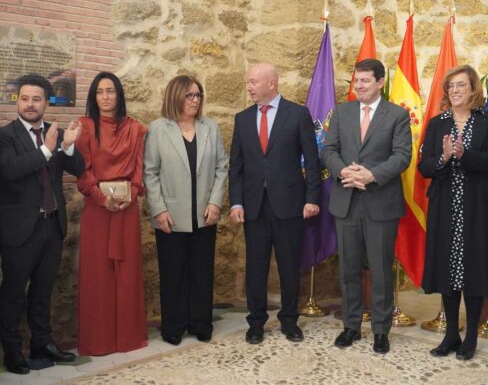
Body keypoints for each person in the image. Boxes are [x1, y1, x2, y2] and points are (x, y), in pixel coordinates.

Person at [321, 58, 411, 354]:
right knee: (348, 267)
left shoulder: (397, 115)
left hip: (380, 202)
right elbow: (329, 149)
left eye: (364, 81)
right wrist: (343, 171)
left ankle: (381, 331)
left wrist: (372, 175)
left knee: (381, 269)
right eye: (355, 81)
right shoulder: (342, 112)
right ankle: (351, 326)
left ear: (380, 83)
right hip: (346, 199)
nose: (358, 86)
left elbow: (402, 156)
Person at [229, 62, 321, 345]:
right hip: (254, 206)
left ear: (272, 83)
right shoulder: (242, 119)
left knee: (289, 266)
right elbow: (237, 167)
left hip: (290, 205)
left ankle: (289, 321)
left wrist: (312, 199)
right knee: (255, 267)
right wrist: (236, 203)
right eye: (248, 82)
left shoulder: (298, 114)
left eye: (254, 82)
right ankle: (256, 322)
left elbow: (313, 161)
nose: (249, 87)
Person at [0, 74, 84, 374]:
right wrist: (48, 150)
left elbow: (79, 168)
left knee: (42, 290)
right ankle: (12, 351)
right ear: (17, 101)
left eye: (37, 99)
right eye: (25, 98)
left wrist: (69, 147)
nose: (31, 104)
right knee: (12, 293)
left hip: (52, 226)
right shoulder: (6, 136)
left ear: (46, 103)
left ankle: (41, 343)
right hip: (19, 230)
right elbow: (10, 170)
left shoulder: (56, 131)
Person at [418, 65, 488, 360]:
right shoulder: (437, 123)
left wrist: (464, 154)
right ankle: (451, 333)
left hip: (478, 207)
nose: (455, 91)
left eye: (461, 86)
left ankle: (471, 337)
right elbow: (424, 167)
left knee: (474, 268)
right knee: (448, 267)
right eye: (451, 86)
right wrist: (442, 157)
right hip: (444, 206)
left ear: (473, 90)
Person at [144, 75, 228, 345]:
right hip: (170, 215)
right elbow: (150, 173)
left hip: (205, 214)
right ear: (175, 96)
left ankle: (200, 323)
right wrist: (158, 210)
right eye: (189, 95)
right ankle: (173, 327)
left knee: (202, 272)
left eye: (198, 95)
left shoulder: (210, 128)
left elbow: (221, 168)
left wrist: (216, 202)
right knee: (173, 273)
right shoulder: (158, 129)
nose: (195, 100)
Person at [75, 72, 148, 355]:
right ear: (93, 97)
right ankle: (98, 340)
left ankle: (128, 338)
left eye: (111, 91)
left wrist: (131, 193)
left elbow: (139, 168)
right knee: (97, 275)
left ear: (119, 95)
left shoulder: (136, 129)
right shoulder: (84, 127)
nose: (105, 97)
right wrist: (101, 197)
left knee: (127, 273)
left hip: (126, 210)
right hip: (97, 209)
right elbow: (84, 169)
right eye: (99, 92)